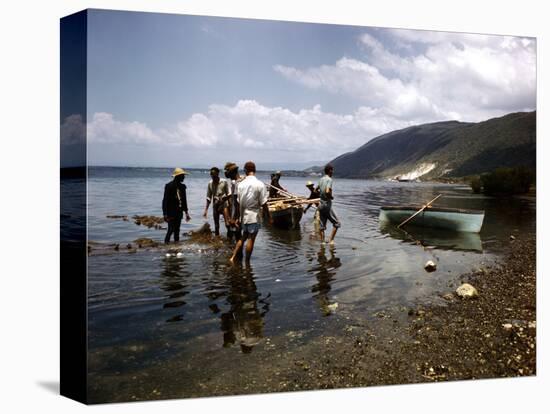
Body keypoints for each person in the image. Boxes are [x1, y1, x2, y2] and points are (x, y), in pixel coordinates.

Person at [230, 161, 272, 263]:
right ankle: (247, 262)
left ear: (245, 171)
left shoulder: (241, 185)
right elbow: (264, 203)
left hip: (244, 215)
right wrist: (269, 217)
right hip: (254, 215)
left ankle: (233, 257)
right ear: (255, 170)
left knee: (243, 237)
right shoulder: (260, 184)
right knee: (251, 239)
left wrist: (237, 218)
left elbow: (238, 203)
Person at [162, 168, 191, 244]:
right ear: (178, 176)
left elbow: (184, 200)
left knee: (177, 230)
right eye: (183, 176)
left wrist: (186, 213)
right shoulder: (169, 186)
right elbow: (165, 201)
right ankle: (165, 246)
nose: (184, 177)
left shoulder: (182, 187)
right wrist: (165, 214)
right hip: (170, 212)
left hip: (179, 211)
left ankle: (176, 247)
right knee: (170, 229)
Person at [203, 167, 230, 236]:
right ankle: (217, 242)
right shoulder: (210, 183)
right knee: (216, 226)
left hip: (224, 204)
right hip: (215, 205)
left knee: (227, 224)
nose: (212, 176)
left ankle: (230, 239)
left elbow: (229, 194)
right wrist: (206, 210)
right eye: (211, 174)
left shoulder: (224, 181)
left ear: (217, 174)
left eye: (214, 174)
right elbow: (208, 197)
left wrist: (225, 199)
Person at [318, 164, 341, 245]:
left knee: (321, 225)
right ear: (330, 170)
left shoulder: (321, 179)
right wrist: (330, 197)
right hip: (327, 204)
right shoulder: (329, 180)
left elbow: (315, 190)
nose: (333, 172)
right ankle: (331, 240)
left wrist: (321, 195)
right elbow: (327, 191)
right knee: (337, 223)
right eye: (332, 170)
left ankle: (323, 243)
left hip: (320, 204)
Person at [224, 162, 243, 243]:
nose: (225, 174)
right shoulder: (239, 181)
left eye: (227, 172)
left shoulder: (236, 183)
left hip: (236, 216)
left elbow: (237, 203)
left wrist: (234, 218)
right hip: (238, 215)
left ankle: (237, 255)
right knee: (236, 236)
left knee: (238, 236)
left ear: (232, 172)